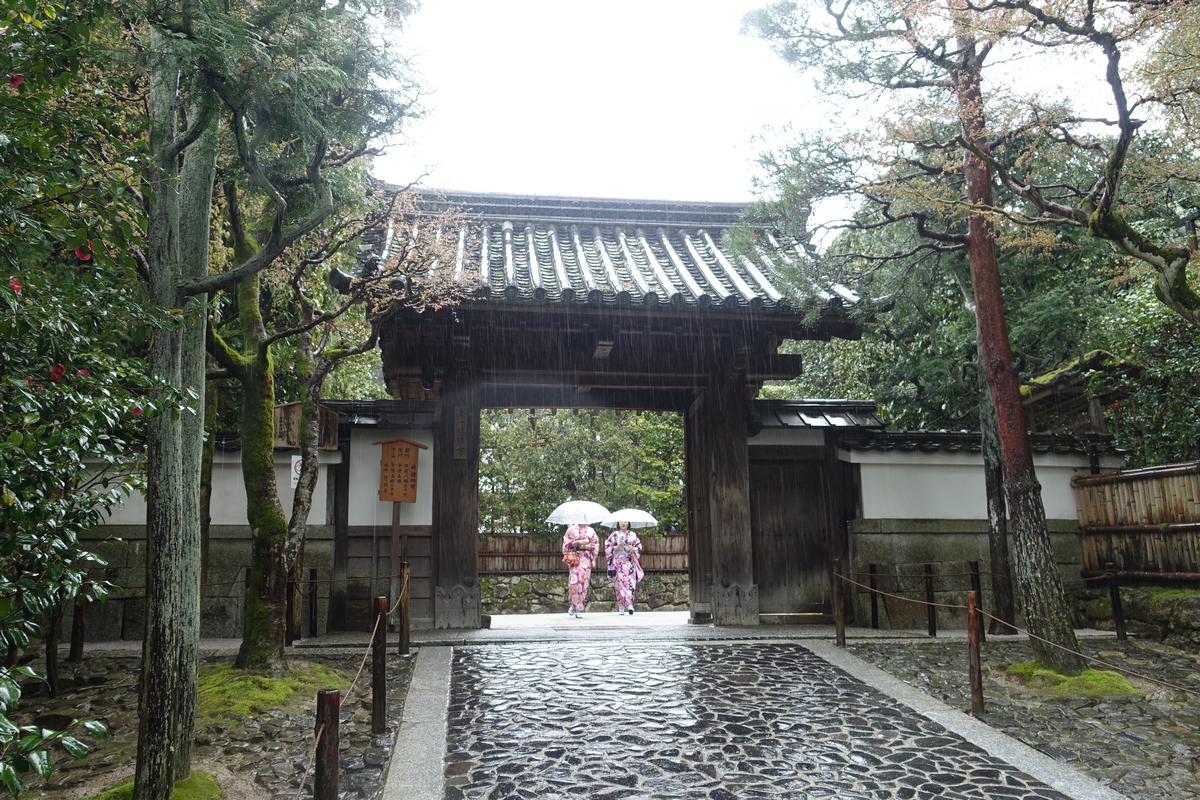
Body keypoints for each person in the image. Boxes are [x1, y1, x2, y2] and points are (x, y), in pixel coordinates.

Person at [605, 521, 644, 615]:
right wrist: (617, 547)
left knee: (631, 583)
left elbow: (639, 547)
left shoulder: (633, 534)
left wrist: (633, 549)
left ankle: (630, 604)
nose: (623, 523)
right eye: (621, 521)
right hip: (618, 562)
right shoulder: (614, 535)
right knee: (619, 585)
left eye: (625, 521)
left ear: (628, 523)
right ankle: (621, 606)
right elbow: (607, 547)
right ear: (618, 523)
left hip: (629, 562)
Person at [562, 521, 599, 618]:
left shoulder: (591, 531)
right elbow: (565, 545)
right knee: (574, 583)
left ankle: (578, 607)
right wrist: (576, 543)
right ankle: (573, 604)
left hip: (586, 559)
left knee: (583, 583)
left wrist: (586, 546)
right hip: (575, 558)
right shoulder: (571, 529)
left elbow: (595, 545)